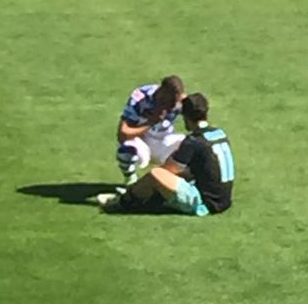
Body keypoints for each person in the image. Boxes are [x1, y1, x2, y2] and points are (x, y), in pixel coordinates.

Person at [97, 93, 235, 217]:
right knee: (180, 175)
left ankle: (123, 202)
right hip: (224, 200)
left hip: (205, 203)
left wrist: (141, 187)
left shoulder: (193, 141)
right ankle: (136, 197)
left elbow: (167, 171)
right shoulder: (219, 133)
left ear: (185, 116)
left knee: (156, 174)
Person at [115, 76, 186, 186]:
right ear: (162, 92)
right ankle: (130, 181)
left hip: (165, 141)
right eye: (169, 101)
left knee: (192, 146)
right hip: (142, 140)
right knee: (126, 149)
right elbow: (123, 133)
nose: (171, 107)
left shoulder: (181, 101)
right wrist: (151, 122)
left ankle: (175, 183)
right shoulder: (141, 97)